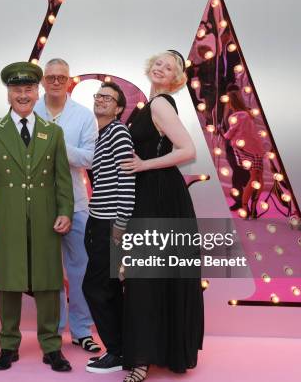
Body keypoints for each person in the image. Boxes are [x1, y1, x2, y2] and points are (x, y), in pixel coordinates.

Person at [0, 61, 75, 372]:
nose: (23, 94)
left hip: (45, 217)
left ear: (37, 92)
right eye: (17, 89)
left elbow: (62, 179)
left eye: (29, 88)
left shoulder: (53, 132)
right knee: (8, 282)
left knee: (47, 282)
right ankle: (8, 346)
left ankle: (51, 346)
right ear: (8, 94)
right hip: (6, 217)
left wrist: (65, 211)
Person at [120, 50, 204, 381]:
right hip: (152, 194)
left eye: (169, 67)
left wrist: (144, 165)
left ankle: (141, 361)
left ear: (175, 78)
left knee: (143, 278)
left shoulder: (160, 104)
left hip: (159, 196)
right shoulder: (151, 104)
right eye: (158, 62)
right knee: (149, 276)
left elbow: (188, 151)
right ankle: (158, 352)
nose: (161, 68)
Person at [34, 58, 100, 353]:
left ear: (69, 80)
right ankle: (54, 331)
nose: (56, 81)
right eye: (51, 77)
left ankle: (82, 329)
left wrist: (54, 141)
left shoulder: (84, 115)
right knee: (48, 270)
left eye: (62, 77)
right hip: (38, 203)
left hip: (75, 202)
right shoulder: (28, 109)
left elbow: (88, 159)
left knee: (81, 269)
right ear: (43, 81)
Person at [83, 82, 135, 373]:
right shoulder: (101, 135)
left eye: (108, 97)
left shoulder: (118, 132)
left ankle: (116, 351)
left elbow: (127, 181)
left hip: (110, 225)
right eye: (98, 95)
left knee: (96, 287)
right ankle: (120, 350)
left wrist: (120, 226)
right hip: (98, 220)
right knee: (110, 288)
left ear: (118, 108)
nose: (101, 100)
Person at [223, 84, 265, 218]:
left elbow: (229, 134)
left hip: (244, 149)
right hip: (256, 148)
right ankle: (252, 206)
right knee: (258, 178)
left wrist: (224, 135)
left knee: (251, 177)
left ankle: (245, 206)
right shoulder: (248, 113)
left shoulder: (237, 116)